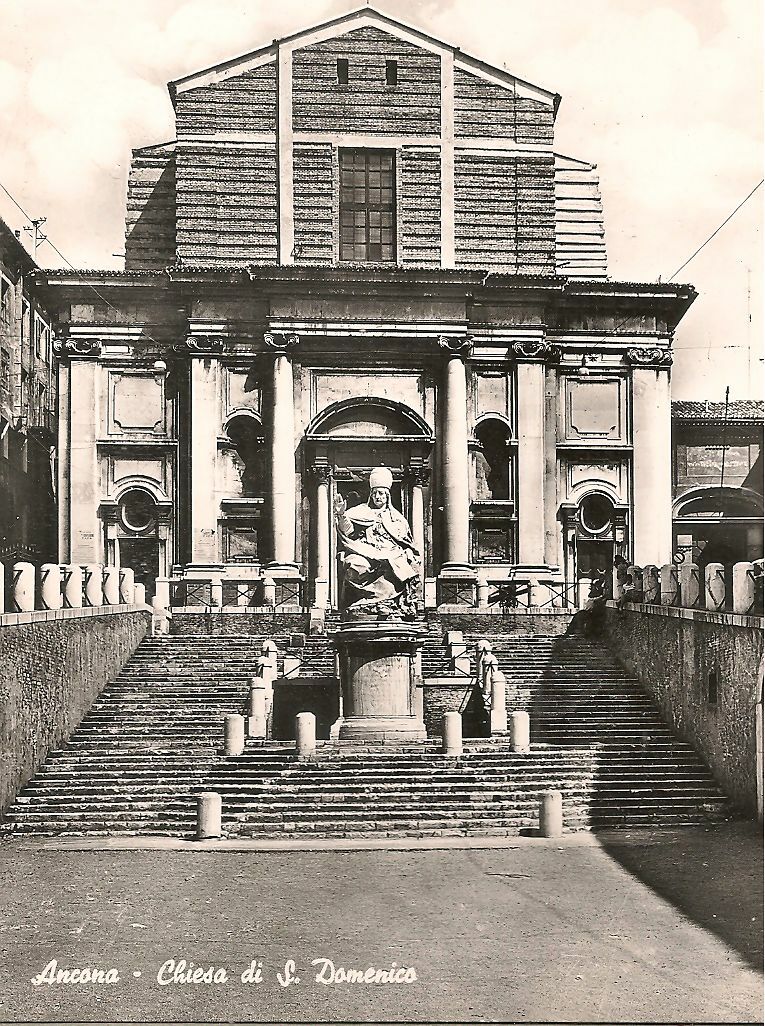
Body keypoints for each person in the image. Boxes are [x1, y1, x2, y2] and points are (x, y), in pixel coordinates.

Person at [335, 467, 421, 618]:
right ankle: (366, 603)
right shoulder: (361, 511)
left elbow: (406, 541)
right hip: (365, 550)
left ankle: (386, 603)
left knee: (401, 564)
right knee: (353, 564)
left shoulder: (397, 518)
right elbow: (347, 531)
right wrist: (341, 514)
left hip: (390, 551)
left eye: (381, 493)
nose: (377, 497)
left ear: (387, 496)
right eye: (374, 493)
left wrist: (408, 551)